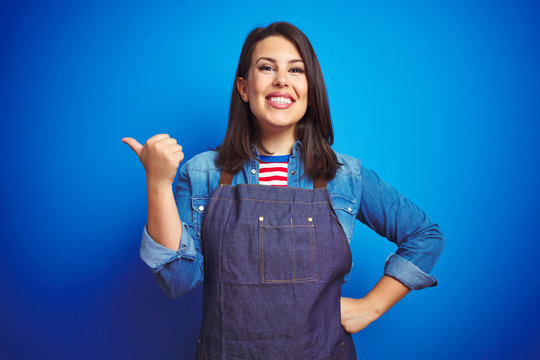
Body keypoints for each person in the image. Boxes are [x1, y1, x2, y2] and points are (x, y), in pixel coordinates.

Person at [122, 21, 444, 360]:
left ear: (310, 88)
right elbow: (178, 279)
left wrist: (371, 307)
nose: (281, 80)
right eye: (266, 67)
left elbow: (424, 235)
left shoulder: (345, 175)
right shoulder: (203, 172)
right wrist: (158, 183)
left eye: (296, 69)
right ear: (244, 88)